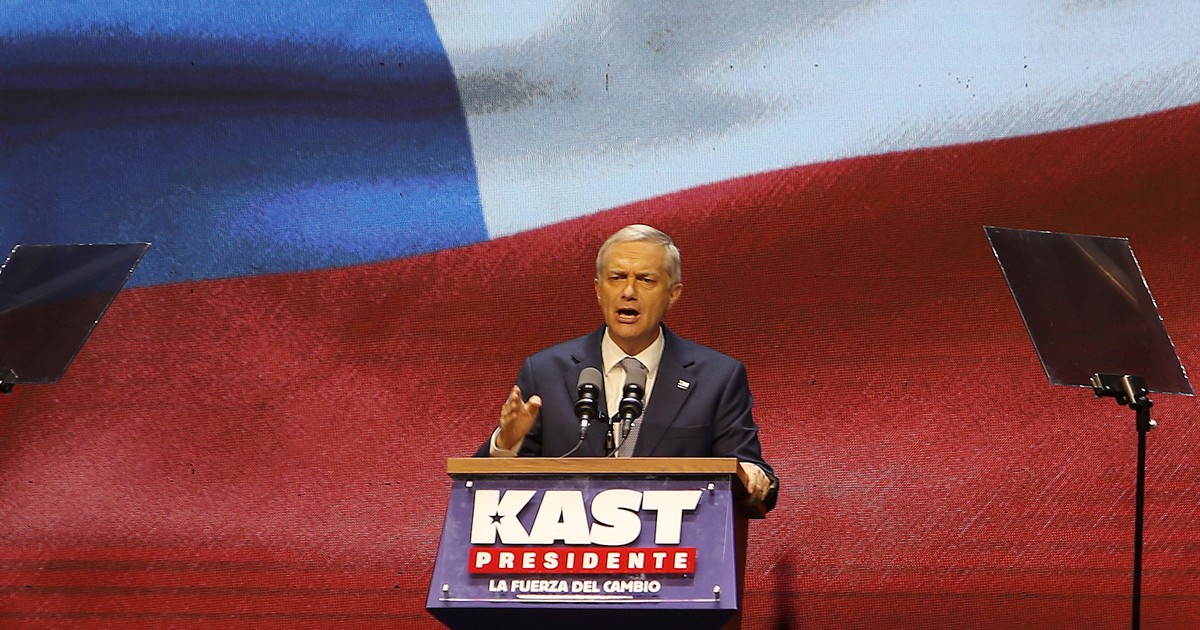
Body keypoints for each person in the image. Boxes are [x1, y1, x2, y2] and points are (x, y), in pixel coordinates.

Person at [477, 224, 777, 510]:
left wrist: (752, 476)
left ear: (673, 293)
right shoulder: (545, 372)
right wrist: (506, 443)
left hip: (673, 543)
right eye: (617, 277)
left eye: (646, 280)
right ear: (598, 289)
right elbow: (484, 491)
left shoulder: (718, 377)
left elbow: (749, 469)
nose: (629, 291)